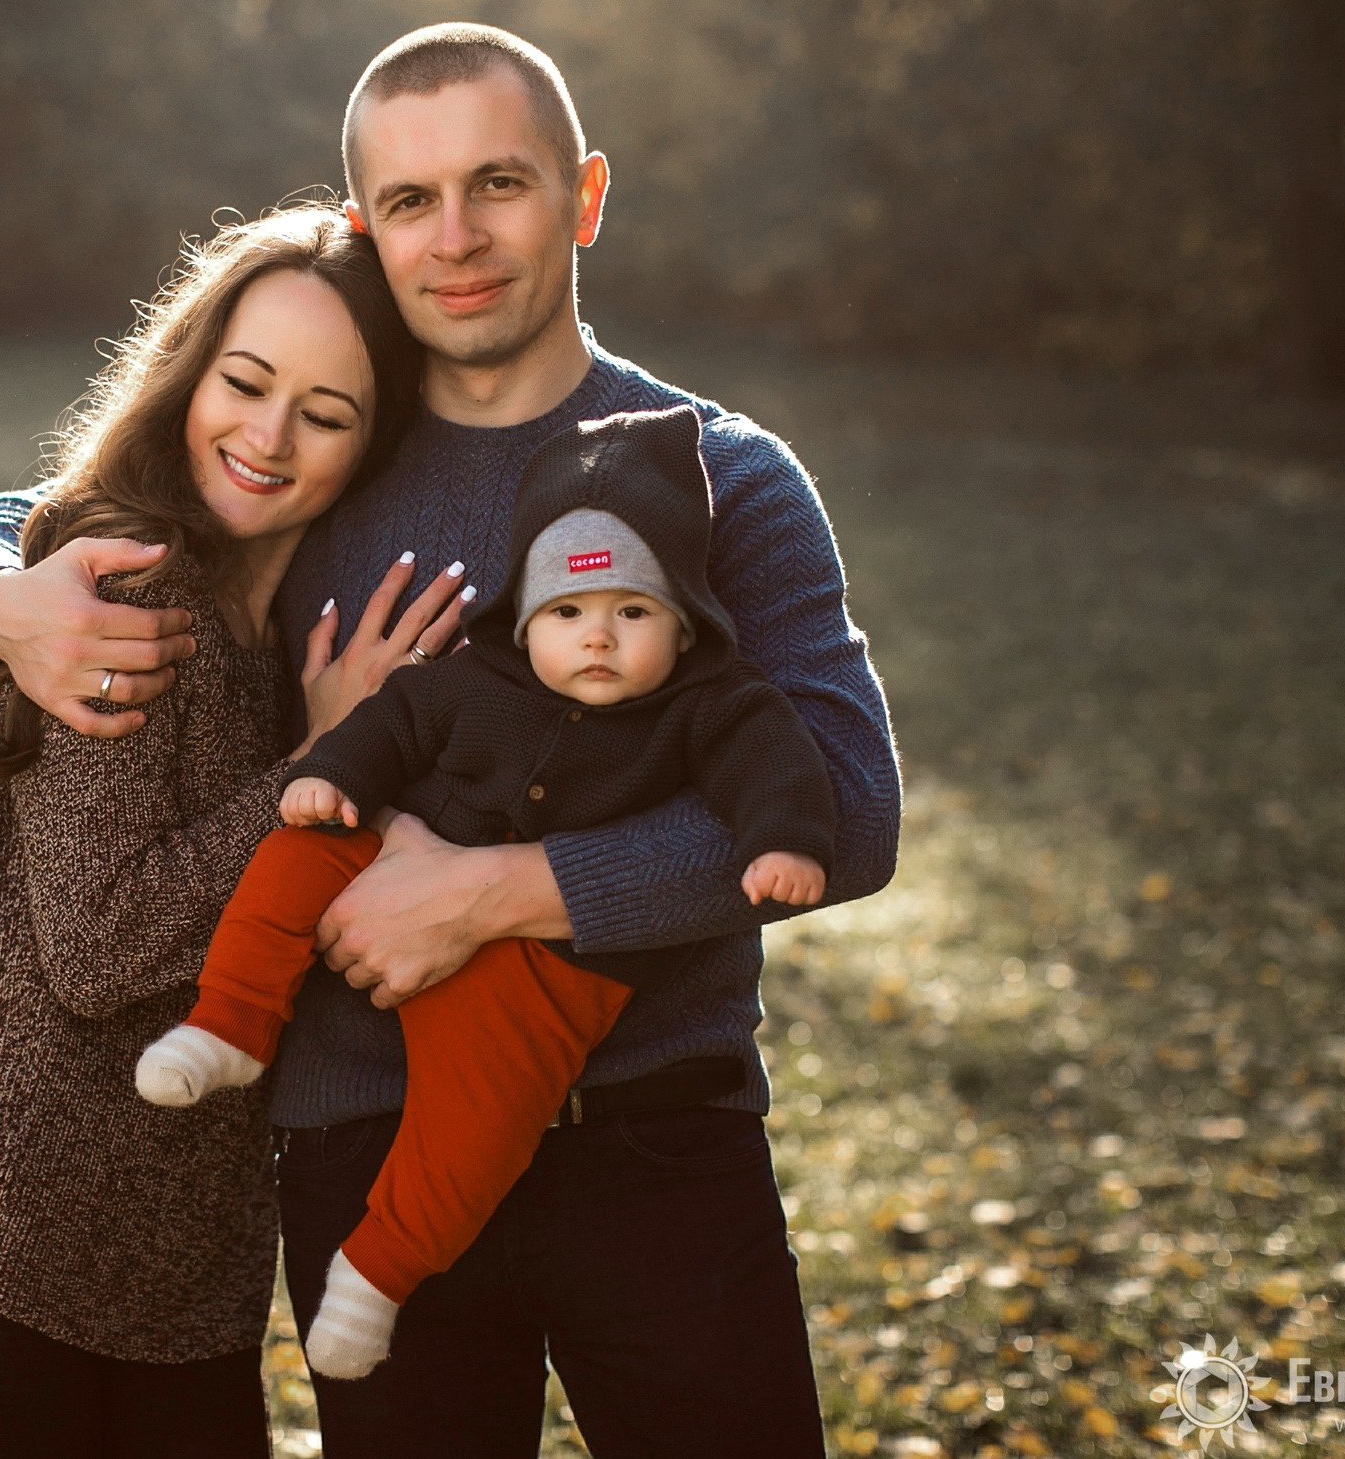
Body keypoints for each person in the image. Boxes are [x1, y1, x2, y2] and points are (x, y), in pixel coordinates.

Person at [0, 24, 902, 1457]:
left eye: (499, 184)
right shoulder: (327, 458)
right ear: (364, 228)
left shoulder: (716, 472)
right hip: (359, 1153)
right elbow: (91, 485)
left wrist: (492, 892)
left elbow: (850, 811)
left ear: (585, 194)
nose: (456, 236)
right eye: (407, 200)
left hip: (659, 1142)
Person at [0, 204, 459, 1458]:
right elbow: (103, 945)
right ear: (189, 372)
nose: (268, 436)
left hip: (177, 1299)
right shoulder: (124, 592)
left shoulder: (285, 635)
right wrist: (307, 767)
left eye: (327, 414)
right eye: (244, 382)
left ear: (372, 445)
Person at [136, 402, 842, 1382]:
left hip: (554, 978)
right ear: (523, 619)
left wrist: (781, 844)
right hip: (382, 905)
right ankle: (229, 1026)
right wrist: (335, 776)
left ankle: (374, 1276)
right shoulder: (472, 680)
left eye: (632, 614)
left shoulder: (712, 707)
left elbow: (790, 776)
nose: (596, 639)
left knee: (474, 1128)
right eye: (567, 614)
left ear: (684, 629)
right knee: (295, 855)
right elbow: (389, 726)